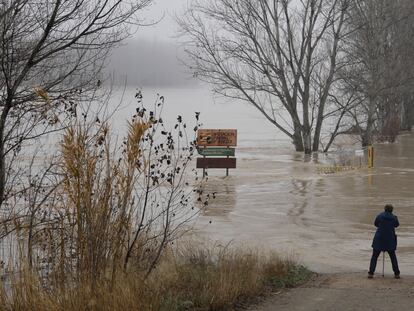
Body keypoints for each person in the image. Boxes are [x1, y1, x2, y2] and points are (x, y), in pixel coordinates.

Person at [368, 204, 400, 278]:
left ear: (384, 209)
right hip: (390, 240)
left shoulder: (380, 216)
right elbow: (397, 225)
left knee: (374, 256)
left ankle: (371, 273)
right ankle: (397, 273)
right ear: (392, 210)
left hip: (379, 239)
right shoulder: (394, 218)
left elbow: (376, 224)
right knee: (393, 257)